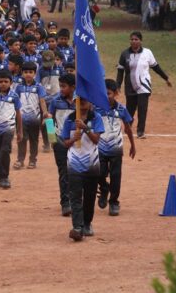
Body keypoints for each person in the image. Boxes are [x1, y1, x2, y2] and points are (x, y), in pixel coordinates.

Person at [61, 97, 104, 242]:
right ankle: (77, 227)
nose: (83, 103)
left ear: (91, 102)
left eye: (86, 100)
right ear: (75, 102)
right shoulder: (69, 120)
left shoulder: (96, 117)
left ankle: (87, 223)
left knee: (90, 196)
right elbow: (65, 143)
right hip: (74, 163)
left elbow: (96, 140)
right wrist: (74, 139)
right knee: (75, 196)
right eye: (80, 101)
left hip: (92, 163)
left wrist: (85, 128)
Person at [116, 31, 172, 139]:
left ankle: (140, 131)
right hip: (130, 86)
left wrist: (166, 78)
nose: (134, 41)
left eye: (136, 39)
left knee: (142, 109)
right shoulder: (124, 54)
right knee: (130, 109)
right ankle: (128, 127)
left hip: (144, 86)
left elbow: (156, 67)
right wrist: (117, 86)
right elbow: (120, 72)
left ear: (141, 41)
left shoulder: (147, 53)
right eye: (132, 39)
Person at [97, 79, 136, 216]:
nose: (106, 96)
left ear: (116, 94)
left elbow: (128, 128)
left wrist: (132, 145)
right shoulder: (96, 108)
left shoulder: (121, 109)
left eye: (108, 93)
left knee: (116, 176)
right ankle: (104, 188)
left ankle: (114, 202)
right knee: (98, 173)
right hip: (99, 147)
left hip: (116, 148)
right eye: (103, 94)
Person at [48, 73, 76, 216]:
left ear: (73, 87)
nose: (61, 89)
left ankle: (76, 200)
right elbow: (49, 119)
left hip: (77, 142)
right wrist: (52, 140)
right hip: (60, 141)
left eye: (64, 86)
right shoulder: (55, 101)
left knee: (77, 172)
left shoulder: (80, 101)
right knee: (64, 172)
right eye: (60, 86)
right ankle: (65, 203)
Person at [14, 62, 48, 170]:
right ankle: (20, 160)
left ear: (34, 73)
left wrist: (45, 114)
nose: (28, 74)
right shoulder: (19, 87)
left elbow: (42, 101)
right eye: (25, 72)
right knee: (21, 139)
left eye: (30, 72)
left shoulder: (39, 87)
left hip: (35, 118)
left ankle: (33, 160)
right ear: (22, 73)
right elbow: (15, 102)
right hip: (21, 118)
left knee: (34, 140)